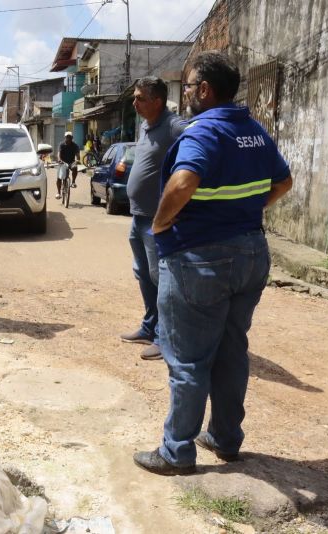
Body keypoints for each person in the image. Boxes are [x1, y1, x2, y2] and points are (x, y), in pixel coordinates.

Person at [133, 51, 293, 475]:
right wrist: (247, 211)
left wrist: (162, 224)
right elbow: (284, 180)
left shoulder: (204, 129)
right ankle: (224, 438)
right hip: (251, 253)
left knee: (188, 359)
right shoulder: (253, 130)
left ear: (204, 90)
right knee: (231, 350)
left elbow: (183, 181)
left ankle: (176, 451)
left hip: (201, 258)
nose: (184, 94)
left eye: (186, 87)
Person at [120, 77, 185, 361]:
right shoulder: (146, 126)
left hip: (158, 219)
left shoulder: (173, 125)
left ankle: (166, 338)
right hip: (138, 216)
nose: (134, 103)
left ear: (157, 101)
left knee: (162, 278)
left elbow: (199, 136)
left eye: (139, 98)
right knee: (143, 274)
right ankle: (150, 326)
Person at [57, 132, 80, 198]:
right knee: (59, 178)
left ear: (72, 138)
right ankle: (58, 193)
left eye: (70, 137)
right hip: (62, 162)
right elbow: (59, 154)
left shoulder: (75, 145)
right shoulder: (62, 145)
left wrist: (77, 160)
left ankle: (73, 182)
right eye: (67, 137)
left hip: (71, 162)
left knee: (75, 167)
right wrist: (59, 159)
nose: (68, 139)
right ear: (65, 138)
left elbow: (78, 155)